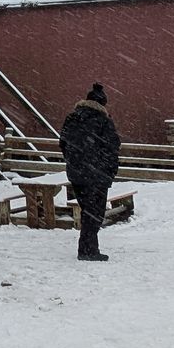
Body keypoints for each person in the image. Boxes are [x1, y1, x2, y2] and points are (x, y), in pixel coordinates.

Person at [60, 83, 121, 262]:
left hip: (77, 173)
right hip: (97, 175)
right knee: (94, 213)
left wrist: (74, 162)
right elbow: (112, 147)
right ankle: (88, 250)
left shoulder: (71, 118)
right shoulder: (103, 121)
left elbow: (63, 143)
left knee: (87, 211)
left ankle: (87, 248)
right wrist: (109, 171)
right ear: (102, 104)